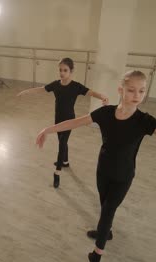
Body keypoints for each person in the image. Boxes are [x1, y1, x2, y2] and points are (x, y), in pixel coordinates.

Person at [35, 70, 156, 262]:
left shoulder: (145, 121)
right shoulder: (105, 113)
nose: (137, 96)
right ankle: (107, 231)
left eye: (141, 91)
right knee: (105, 205)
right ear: (120, 90)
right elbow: (76, 122)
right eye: (131, 90)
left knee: (108, 210)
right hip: (103, 171)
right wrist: (48, 130)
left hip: (123, 176)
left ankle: (96, 254)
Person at [17, 57, 109, 188]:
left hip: (70, 120)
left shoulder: (76, 86)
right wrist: (26, 91)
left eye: (65, 70)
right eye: (60, 70)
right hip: (58, 119)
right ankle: (65, 161)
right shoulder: (56, 84)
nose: (62, 73)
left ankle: (57, 172)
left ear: (71, 71)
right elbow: (42, 89)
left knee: (62, 143)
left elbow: (91, 92)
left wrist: (102, 97)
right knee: (62, 141)